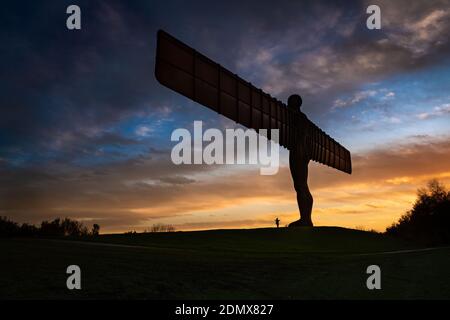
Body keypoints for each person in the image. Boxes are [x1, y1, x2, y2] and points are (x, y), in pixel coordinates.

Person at [287, 94, 314, 227]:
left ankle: (305, 219)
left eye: (289, 102)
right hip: (303, 153)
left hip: (298, 152)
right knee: (301, 185)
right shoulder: (303, 118)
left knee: (300, 185)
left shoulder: (297, 117)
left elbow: (301, 135)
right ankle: (305, 218)